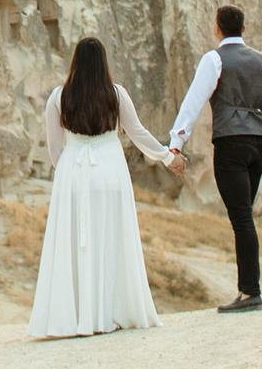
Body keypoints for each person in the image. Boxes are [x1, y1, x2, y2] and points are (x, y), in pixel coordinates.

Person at [29, 35, 179, 339]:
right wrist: (166, 156)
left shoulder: (59, 97)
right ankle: (111, 310)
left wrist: (70, 172)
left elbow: (54, 147)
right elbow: (137, 133)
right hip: (110, 171)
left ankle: (76, 316)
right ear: (103, 63)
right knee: (111, 239)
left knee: (75, 243)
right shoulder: (117, 94)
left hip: (74, 172)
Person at [166, 3, 262, 313]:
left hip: (231, 143)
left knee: (241, 218)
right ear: (242, 29)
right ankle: (249, 289)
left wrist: (177, 141)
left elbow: (194, 100)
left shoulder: (214, 59)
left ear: (217, 28)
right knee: (245, 217)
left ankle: (250, 292)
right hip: (259, 144)